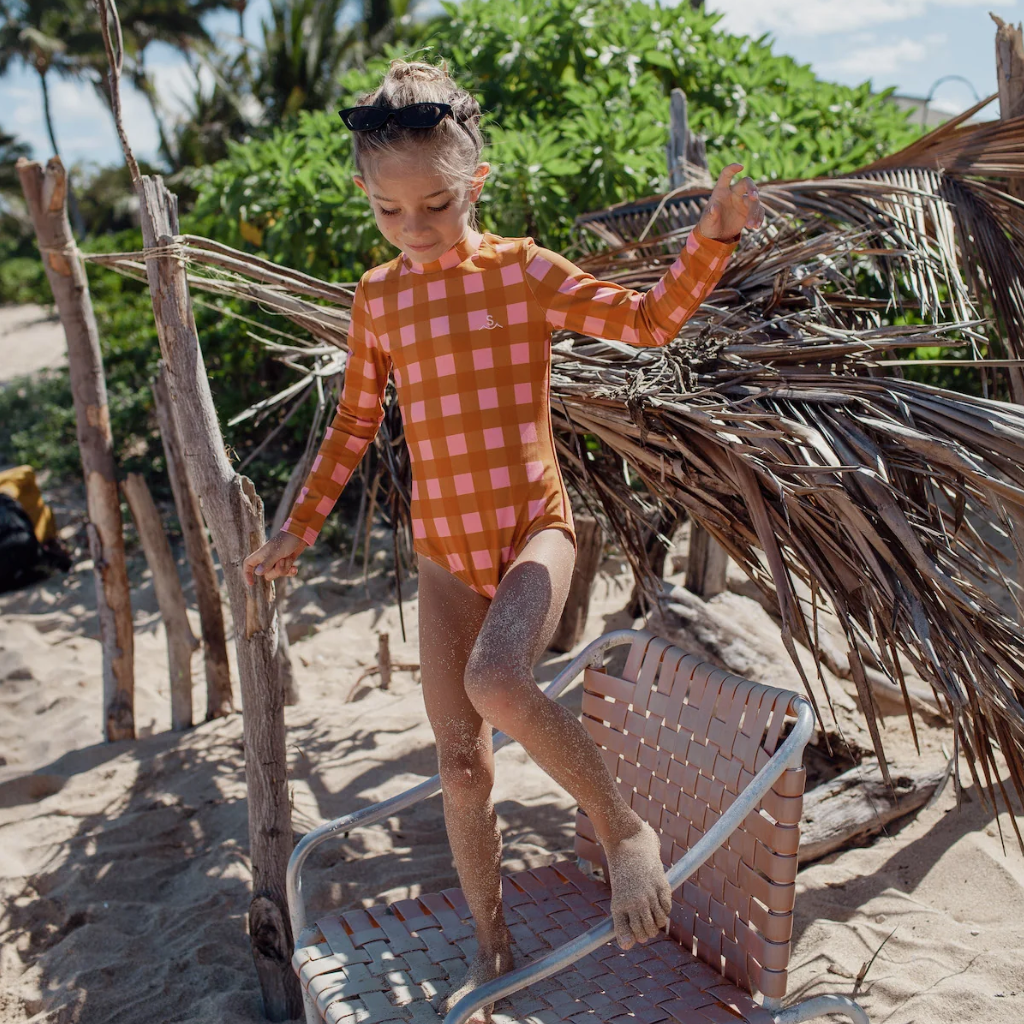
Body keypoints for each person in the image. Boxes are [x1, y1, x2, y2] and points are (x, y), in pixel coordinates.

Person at [243, 57, 764, 1018]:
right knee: (459, 760)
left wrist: (713, 238)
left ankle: (624, 831)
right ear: (365, 196)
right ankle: (489, 934)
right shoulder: (378, 300)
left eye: (435, 205)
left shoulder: (522, 271)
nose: (414, 229)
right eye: (390, 211)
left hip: (535, 531)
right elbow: (355, 426)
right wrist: (298, 526)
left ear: (475, 183)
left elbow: (648, 323)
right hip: (443, 559)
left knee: (496, 680)